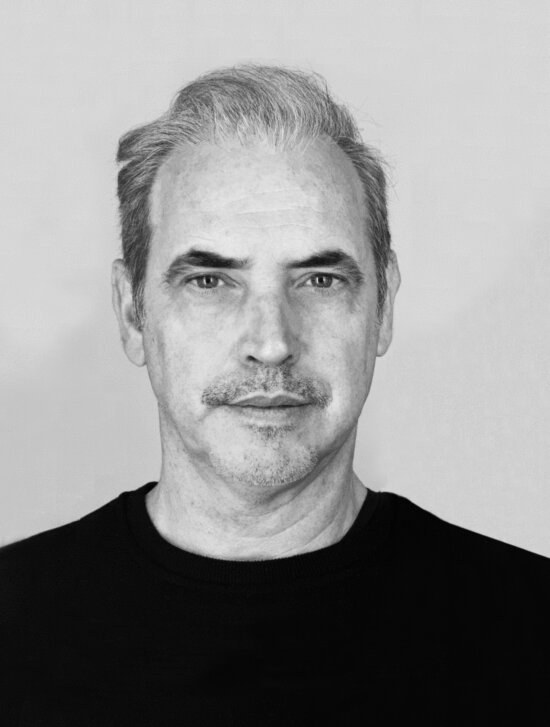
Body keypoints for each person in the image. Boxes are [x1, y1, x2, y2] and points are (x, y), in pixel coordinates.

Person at [1, 64, 548, 726]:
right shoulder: (14, 622)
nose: (271, 342)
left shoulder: (530, 630)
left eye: (320, 280)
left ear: (383, 308)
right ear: (131, 312)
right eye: (209, 281)